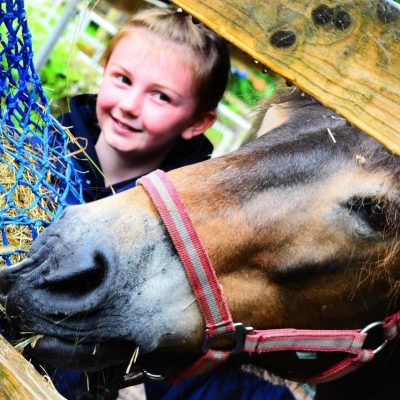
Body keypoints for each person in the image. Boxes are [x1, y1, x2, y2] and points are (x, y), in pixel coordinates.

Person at [45, 6, 296, 400]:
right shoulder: (43, 149)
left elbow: (188, 353)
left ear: (196, 122)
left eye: (161, 96)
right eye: (123, 79)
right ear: (105, 69)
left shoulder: (184, 226)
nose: (129, 105)